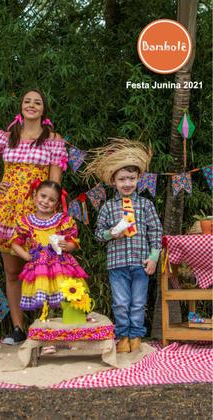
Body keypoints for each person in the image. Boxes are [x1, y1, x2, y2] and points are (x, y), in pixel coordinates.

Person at [0, 89, 68, 345]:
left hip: (38, 208)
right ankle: (18, 328)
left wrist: (50, 212)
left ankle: (45, 325)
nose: (31, 105)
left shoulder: (53, 139)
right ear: (20, 107)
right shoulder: (7, 137)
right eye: (27, 101)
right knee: (12, 270)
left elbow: (54, 180)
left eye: (37, 102)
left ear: (44, 109)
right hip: (6, 210)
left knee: (45, 266)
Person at [84, 138, 162, 353]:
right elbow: (99, 234)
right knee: (120, 303)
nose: (127, 183)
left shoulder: (146, 205)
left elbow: (156, 231)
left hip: (141, 262)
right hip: (116, 264)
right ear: (113, 182)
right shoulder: (108, 207)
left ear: (139, 179)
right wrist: (111, 233)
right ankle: (123, 336)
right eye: (122, 179)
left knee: (137, 303)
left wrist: (154, 257)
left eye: (131, 178)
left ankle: (136, 336)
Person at [10, 179, 88, 316]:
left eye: (51, 200)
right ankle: (46, 325)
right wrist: (26, 256)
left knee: (66, 294)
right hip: (39, 267)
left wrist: (67, 246)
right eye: (43, 196)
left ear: (57, 204)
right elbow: (15, 243)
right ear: (35, 196)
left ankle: (68, 323)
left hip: (61, 265)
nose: (46, 202)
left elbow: (74, 242)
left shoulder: (63, 220)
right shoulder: (26, 222)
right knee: (43, 296)